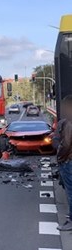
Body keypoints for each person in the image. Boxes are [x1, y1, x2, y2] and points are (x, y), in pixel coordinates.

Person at [55, 95, 72, 231]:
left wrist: (60, 158)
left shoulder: (69, 123)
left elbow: (66, 144)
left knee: (71, 191)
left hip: (69, 161)